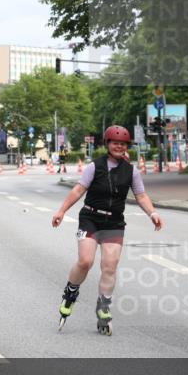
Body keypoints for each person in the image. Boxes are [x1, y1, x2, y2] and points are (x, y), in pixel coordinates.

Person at [51, 125, 163, 335]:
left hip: (113, 222)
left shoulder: (131, 171)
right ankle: (70, 292)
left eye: (123, 144)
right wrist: (61, 211)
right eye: (115, 143)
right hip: (90, 218)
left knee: (109, 266)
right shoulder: (95, 166)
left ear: (126, 146)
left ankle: (104, 306)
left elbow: (141, 196)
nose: (119, 146)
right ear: (107, 144)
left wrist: (153, 213)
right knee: (85, 261)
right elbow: (78, 189)